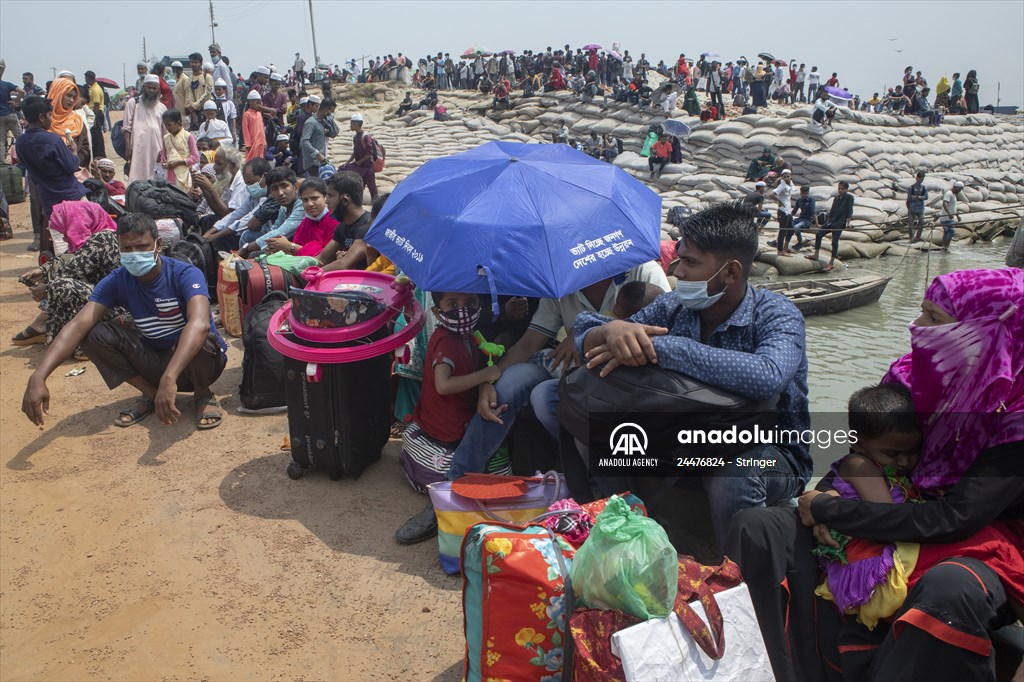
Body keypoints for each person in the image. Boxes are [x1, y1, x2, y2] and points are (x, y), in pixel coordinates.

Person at [729, 267, 1024, 682]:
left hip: (976, 541)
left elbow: (957, 518)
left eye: (934, 319)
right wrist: (827, 497)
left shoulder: (1014, 416)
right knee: (758, 526)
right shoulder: (912, 376)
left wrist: (834, 513)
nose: (916, 326)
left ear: (987, 332)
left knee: (949, 589)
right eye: (921, 312)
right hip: (886, 510)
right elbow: (860, 451)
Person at [568, 202, 811, 549]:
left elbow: (768, 375)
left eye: (691, 263)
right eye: (678, 258)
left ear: (731, 272)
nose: (677, 271)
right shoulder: (675, 307)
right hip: (682, 441)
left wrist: (667, 348)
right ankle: (633, 534)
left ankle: (737, 578)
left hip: (765, 450)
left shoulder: (777, 315)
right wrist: (612, 330)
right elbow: (587, 332)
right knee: (586, 420)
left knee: (737, 472)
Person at [395, 257, 671, 544]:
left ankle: (606, 503)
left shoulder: (643, 272)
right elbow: (528, 345)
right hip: (570, 372)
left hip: (623, 382)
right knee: (509, 386)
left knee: (549, 398)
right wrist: (489, 382)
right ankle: (452, 489)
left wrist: (589, 334)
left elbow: (666, 333)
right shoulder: (561, 284)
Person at [22, 213, 228, 430]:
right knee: (93, 335)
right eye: (127, 249)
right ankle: (151, 393)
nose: (134, 254)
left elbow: (200, 323)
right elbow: (76, 325)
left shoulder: (184, 273)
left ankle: (203, 395)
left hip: (201, 364)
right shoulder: (117, 281)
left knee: (202, 338)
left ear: (158, 244)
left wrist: (170, 376)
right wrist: (39, 376)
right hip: (156, 360)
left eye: (141, 246)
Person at [812, 384, 924, 629]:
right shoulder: (859, 464)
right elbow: (886, 514)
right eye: (893, 454)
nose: (905, 461)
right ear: (858, 443)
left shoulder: (884, 460)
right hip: (869, 550)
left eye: (914, 451)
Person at [399, 289, 509, 494]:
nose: (462, 310)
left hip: (449, 419)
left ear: (480, 306)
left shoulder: (468, 337)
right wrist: (485, 375)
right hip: (448, 427)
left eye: (470, 302)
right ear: (436, 311)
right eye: (452, 304)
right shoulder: (446, 340)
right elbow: (443, 385)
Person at [14, 96, 88, 254]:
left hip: (48, 200)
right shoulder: (53, 140)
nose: (51, 119)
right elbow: (71, 166)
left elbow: (25, 166)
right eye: (49, 115)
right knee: (83, 238)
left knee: (60, 242)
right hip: (71, 195)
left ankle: (63, 273)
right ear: (41, 117)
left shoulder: (20, 142)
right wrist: (73, 151)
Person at [203, 157, 271, 250]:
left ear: (265, 176)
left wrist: (217, 235)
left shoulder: (269, 197)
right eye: (247, 183)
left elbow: (247, 220)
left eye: (251, 182)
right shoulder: (253, 196)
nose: (249, 187)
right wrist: (212, 230)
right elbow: (236, 214)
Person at [236, 166, 305, 257]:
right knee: (248, 237)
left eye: (284, 186)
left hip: (298, 248)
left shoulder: (302, 205)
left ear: (296, 187)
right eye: (275, 188)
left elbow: (280, 232)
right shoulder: (284, 208)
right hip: (284, 243)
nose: (280, 193)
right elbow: (274, 229)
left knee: (254, 254)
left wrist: (247, 248)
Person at [263, 177, 337, 258]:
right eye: (305, 200)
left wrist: (290, 246)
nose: (310, 204)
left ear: (325, 197)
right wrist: (280, 248)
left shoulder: (334, 221)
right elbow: (296, 248)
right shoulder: (306, 221)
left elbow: (326, 256)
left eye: (314, 198)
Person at [316, 170, 371, 271]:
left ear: (345, 200)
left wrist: (315, 273)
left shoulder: (367, 226)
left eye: (330, 195)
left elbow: (344, 264)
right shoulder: (342, 226)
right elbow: (322, 258)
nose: (326, 201)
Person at [123, 76, 167, 186]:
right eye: (149, 87)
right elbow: (126, 127)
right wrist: (128, 147)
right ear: (144, 87)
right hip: (137, 147)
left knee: (155, 177)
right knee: (136, 176)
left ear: (158, 89)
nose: (151, 90)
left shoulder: (162, 108)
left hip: (156, 148)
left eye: (154, 88)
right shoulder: (133, 103)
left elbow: (166, 132)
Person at [806, 180, 854, 271]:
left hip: (839, 224)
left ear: (847, 189)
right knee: (819, 234)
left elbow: (849, 211)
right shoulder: (836, 198)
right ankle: (816, 255)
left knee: (834, 242)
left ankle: (831, 263)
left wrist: (848, 223)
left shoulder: (849, 198)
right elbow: (832, 211)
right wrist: (825, 224)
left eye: (842, 189)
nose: (840, 190)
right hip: (831, 222)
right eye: (839, 188)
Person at [341, 113, 378, 201]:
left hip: (367, 168)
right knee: (359, 187)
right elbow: (355, 152)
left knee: (372, 189)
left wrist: (361, 161)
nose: (350, 125)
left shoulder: (365, 137)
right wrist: (348, 162)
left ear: (356, 124)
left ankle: (377, 206)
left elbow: (370, 153)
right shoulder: (355, 137)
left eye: (352, 123)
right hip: (360, 168)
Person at [159, 109, 198, 190]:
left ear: (179, 122)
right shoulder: (166, 138)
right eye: (165, 125)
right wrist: (164, 163)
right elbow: (164, 156)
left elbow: (195, 157)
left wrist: (179, 162)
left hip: (184, 174)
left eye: (170, 125)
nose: (167, 128)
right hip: (170, 174)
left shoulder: (188, 136)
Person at [300, 97, 337, 178]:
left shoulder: (322, 121)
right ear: (325, 110)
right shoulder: (311, 122)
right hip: (312, 162)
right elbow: (304, 141)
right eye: (329, 112)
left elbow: (334, 132)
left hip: (320, 161)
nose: (330, 115)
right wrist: (317, 154)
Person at [772, 169, 796, 255]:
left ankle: (786, 247)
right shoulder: (781, 186)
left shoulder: (790, 184)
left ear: (791, 176)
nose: (786, 178)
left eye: (788, 176)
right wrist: (781, 202)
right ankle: (780, 250)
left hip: (788, 211)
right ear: (782, 177)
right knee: (783, 231)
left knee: (791, 230)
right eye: (785, 177)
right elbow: (771, 194)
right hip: (782, 211)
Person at [939, 180, 964, 251]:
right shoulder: (949, 194)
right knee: (951, 231)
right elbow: (945, 203)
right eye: (959, 190)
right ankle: (945, 247)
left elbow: (953, 207)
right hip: (946, 217)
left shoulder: (954, 195)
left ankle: (943, 247)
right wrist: (949, 214)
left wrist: (957, 215)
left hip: (948, 217)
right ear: (956, 188)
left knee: (947, 232)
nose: (959, 191)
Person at [242, 90, 265, 162]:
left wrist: (264, 141)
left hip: (260, 141)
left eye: (260, 102)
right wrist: (248, 143)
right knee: (251, 161)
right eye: (257, 102)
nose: (259, 105)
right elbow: (245, 130)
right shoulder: (247, 114)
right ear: (250, 102)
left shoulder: (259, 114)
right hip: (252, 143)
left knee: (259, 160)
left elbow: (262, 128)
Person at [906, 170, 929, 242]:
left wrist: (919, 197)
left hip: (920, 208)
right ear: (916, 178)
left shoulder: (924, 188)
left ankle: (918, 236)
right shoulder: (911, 188)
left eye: (922, 179)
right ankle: (912, 238)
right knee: (911, 223)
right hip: (912, 207)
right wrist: (913, 199)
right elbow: (909, 198)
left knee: (922, 221)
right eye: (920, 179)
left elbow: (926, 197)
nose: (921, 180)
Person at [790, 185, 813, 249]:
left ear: (808, 193)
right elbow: (794, 211)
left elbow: (813, 212)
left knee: (796, 227)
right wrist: (789, 217)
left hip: (807, 220)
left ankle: (800, 242)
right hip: (800, 218)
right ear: (800, 193)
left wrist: (817, 223)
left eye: (806, 194)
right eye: (803, 193)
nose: (804, 195)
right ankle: (780, 241)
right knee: (789, 226)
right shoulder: (799, 200)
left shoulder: (811, 200)